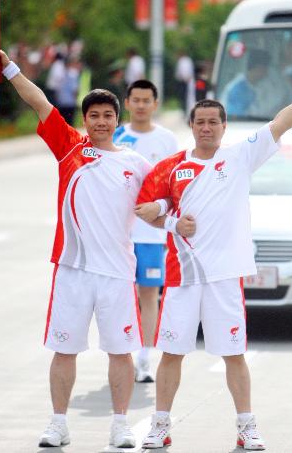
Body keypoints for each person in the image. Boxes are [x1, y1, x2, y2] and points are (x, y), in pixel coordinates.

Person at [134, 73, 292, 450]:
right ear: (190, 126)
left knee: (233, 354)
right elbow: (145, 209)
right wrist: (173, 221)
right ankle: (160, 425)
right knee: (172, 352)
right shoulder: (172, 167)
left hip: (225, 277)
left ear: (223, 127)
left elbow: (280, 122)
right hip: (183, 277)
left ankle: (246, 426)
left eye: (213, 122)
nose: (206, 128)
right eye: (200, 122)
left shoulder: (239, 157)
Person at [0, 46, 152, 449]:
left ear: (118, 120)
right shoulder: (70, 148)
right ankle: (58, 423)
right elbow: (39, 100)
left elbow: (156, 210)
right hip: (73, 269)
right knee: (64, 350)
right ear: (84, 119)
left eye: (107, 115)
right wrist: (9, 68)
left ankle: (119, 425)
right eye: (93, 115)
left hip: (116, 272)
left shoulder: (136, 164)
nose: (100, 121)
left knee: (121, 352)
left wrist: (175, 222)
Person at [114, 80, 178, 383]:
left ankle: (144, 358)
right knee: (122, 297)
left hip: (152, 235)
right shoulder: (115, 136)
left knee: (149, 294)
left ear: (155, 104)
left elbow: (175, 186)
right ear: (127, 103)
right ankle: (123, 353)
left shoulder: (167, 140)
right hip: (119, 234)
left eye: (146, 100)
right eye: (135, 100)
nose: (140, 105)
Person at [221, 49, 270, 117]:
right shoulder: (237, 90)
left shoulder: (256, 85)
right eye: (265, 69)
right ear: (258, 67)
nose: (266, 73)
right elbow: (236, 118)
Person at [54, 56, 81, 125]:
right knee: (70, 123)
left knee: (63, 123)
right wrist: (76, 100)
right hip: (70, 103)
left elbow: (57, 89)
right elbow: (75, 90)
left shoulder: (60, 74)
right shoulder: (73, 74)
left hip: (61, 102)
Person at [174, 49, 195, 117]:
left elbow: (181, 72)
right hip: (188, 80)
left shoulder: (182, 61)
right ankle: (186, 111)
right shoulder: (188, 60)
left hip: (184, 81)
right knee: (188, 97)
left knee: (184, 97)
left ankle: (185, 111)